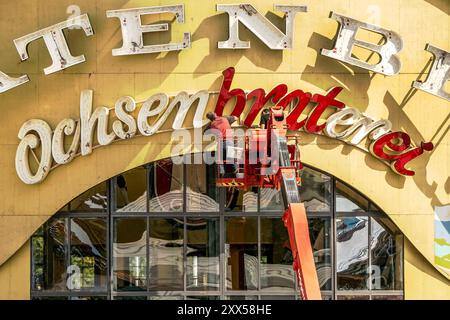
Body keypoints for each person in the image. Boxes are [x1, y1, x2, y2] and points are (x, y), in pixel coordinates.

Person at [205, 112, 238, 178]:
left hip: (220, 143)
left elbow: (205, 132)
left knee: (219, 159)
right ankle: (235, 170)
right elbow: (236, 118)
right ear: (215, 114)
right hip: (229, 142)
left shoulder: (212, 124)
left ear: (210, 119)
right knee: (231, 158)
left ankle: (221, 173)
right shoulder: (225, 118)